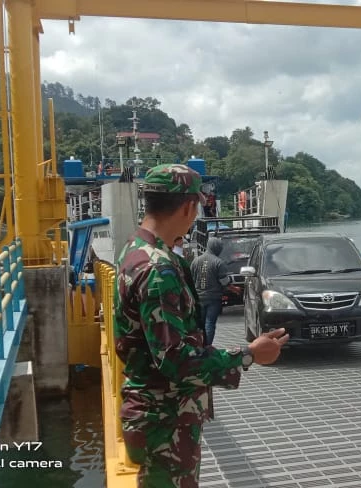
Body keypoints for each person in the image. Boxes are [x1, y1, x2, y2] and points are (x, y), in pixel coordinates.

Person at [113, 163, 289, 488]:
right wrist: (249, 354)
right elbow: (176, 360)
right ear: (189, 206)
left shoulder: (135, 249)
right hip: (166, 421)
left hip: (156, 416)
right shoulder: (157, 269)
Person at [190, 237, 230, 346]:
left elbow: (191, 280)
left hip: (198, 298)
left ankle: (200, 346)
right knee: (210, 323)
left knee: (200, 324)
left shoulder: (195, 261)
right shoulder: (218, 262)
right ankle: (207, 347)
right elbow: (224, 282)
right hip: (214, 298)